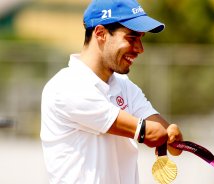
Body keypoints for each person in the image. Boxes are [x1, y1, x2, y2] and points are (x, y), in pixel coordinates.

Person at [40, 0, 183, 183]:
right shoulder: (65, 87)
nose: (140, 49)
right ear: (100, 34)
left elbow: (171, 142)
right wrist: (163, 134)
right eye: (131, 38)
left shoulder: (124, 85)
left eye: (140, 38)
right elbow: (152, 133)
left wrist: (173, 135)